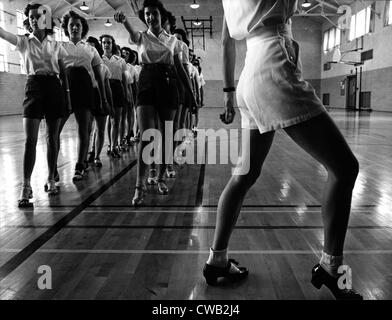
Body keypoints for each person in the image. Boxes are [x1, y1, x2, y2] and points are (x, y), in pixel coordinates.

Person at [203, 0, 362, 300]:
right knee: (345, 168)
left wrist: (227, 92)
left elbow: (226, 39)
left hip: (250, 75)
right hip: (275, 66)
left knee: (244, 174)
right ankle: (331, 266)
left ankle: (217, 260)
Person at [114, 0, 197, 206]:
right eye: (148, 14)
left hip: (168, 85)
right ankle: (140, 186)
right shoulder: (141, 37)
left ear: (162, 16)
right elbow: (132, 34)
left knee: (167, 134)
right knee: (147, 136)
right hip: (147, 82)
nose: (151, 17)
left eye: (154, 14)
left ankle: (160, 178)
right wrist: (124, 22)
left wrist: (191, 95)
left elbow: (180, 69)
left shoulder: (174, 42)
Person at [0, 3, 70, 206]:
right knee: (30, 140)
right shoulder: (23, 41)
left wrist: (67, 96)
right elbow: (4, 34)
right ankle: (26, 186)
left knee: (52, 137)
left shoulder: (56, 44)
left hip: (54, 88)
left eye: (37, 15)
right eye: (30, 16)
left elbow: (63, 73)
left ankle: (51, 178)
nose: (33, 18)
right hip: (33, 87)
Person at [59, 11, 110, 180]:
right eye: (71, 25)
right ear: (66, 28)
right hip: (64, 86)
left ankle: (80, 165)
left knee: (84, 129)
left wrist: (103, 99)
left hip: (84, 88)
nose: (74, 27)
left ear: (83, 28)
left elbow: (99, 76)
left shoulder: (91, 49)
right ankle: (52, 170)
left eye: (78, 25)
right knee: (54, 131)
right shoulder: (60, 47)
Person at [86, 36, 114, 167]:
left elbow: (108, 88)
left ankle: (96, 156)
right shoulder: (82, 64)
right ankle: (85, 156)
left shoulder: (103, 67)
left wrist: (109, 103)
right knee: (86, 129)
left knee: (101, 129)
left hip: (99, 97)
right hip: (87, 96)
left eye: (92, 46)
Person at [100, 34, 129, 158]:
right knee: (106, 119)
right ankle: (108, 144)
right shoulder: (98, 59)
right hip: (104, 88)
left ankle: (114, 146)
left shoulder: (120, 60)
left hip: (117, 88)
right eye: (104, 42)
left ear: (113, 44)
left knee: (116, 119)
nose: (106, 45)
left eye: (109, 43)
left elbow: (124, 79)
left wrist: (127, 92)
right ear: (101, 44)